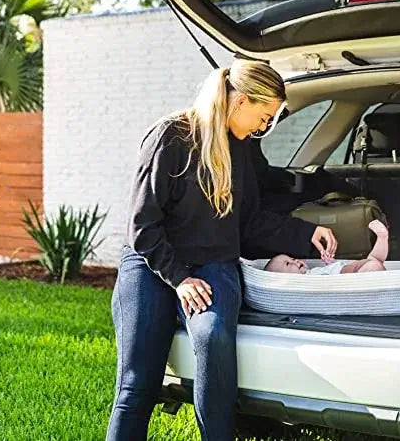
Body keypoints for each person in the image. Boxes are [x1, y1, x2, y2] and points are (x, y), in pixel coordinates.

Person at [106, 59, 338, 441]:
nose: (264, 127)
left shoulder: (243, 150)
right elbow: (142, 226)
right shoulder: (170, 137)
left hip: (213, 261)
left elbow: (248, 223)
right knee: (137, 383)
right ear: (240, 101)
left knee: (212, 336)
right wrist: (179, 279)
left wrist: (305, 233)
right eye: (264, 117)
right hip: (150, 262)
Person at [264, 220, 388, 275]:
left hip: (342, 271)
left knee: (372, 262)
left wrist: (330, 262)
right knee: (373, 264)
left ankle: (382, 238)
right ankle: (381, 241)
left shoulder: (310, 272)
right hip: (344, 278)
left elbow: (327, 271)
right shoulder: (304, 284)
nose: (294, 261)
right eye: (287, 264)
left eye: (291, 258)